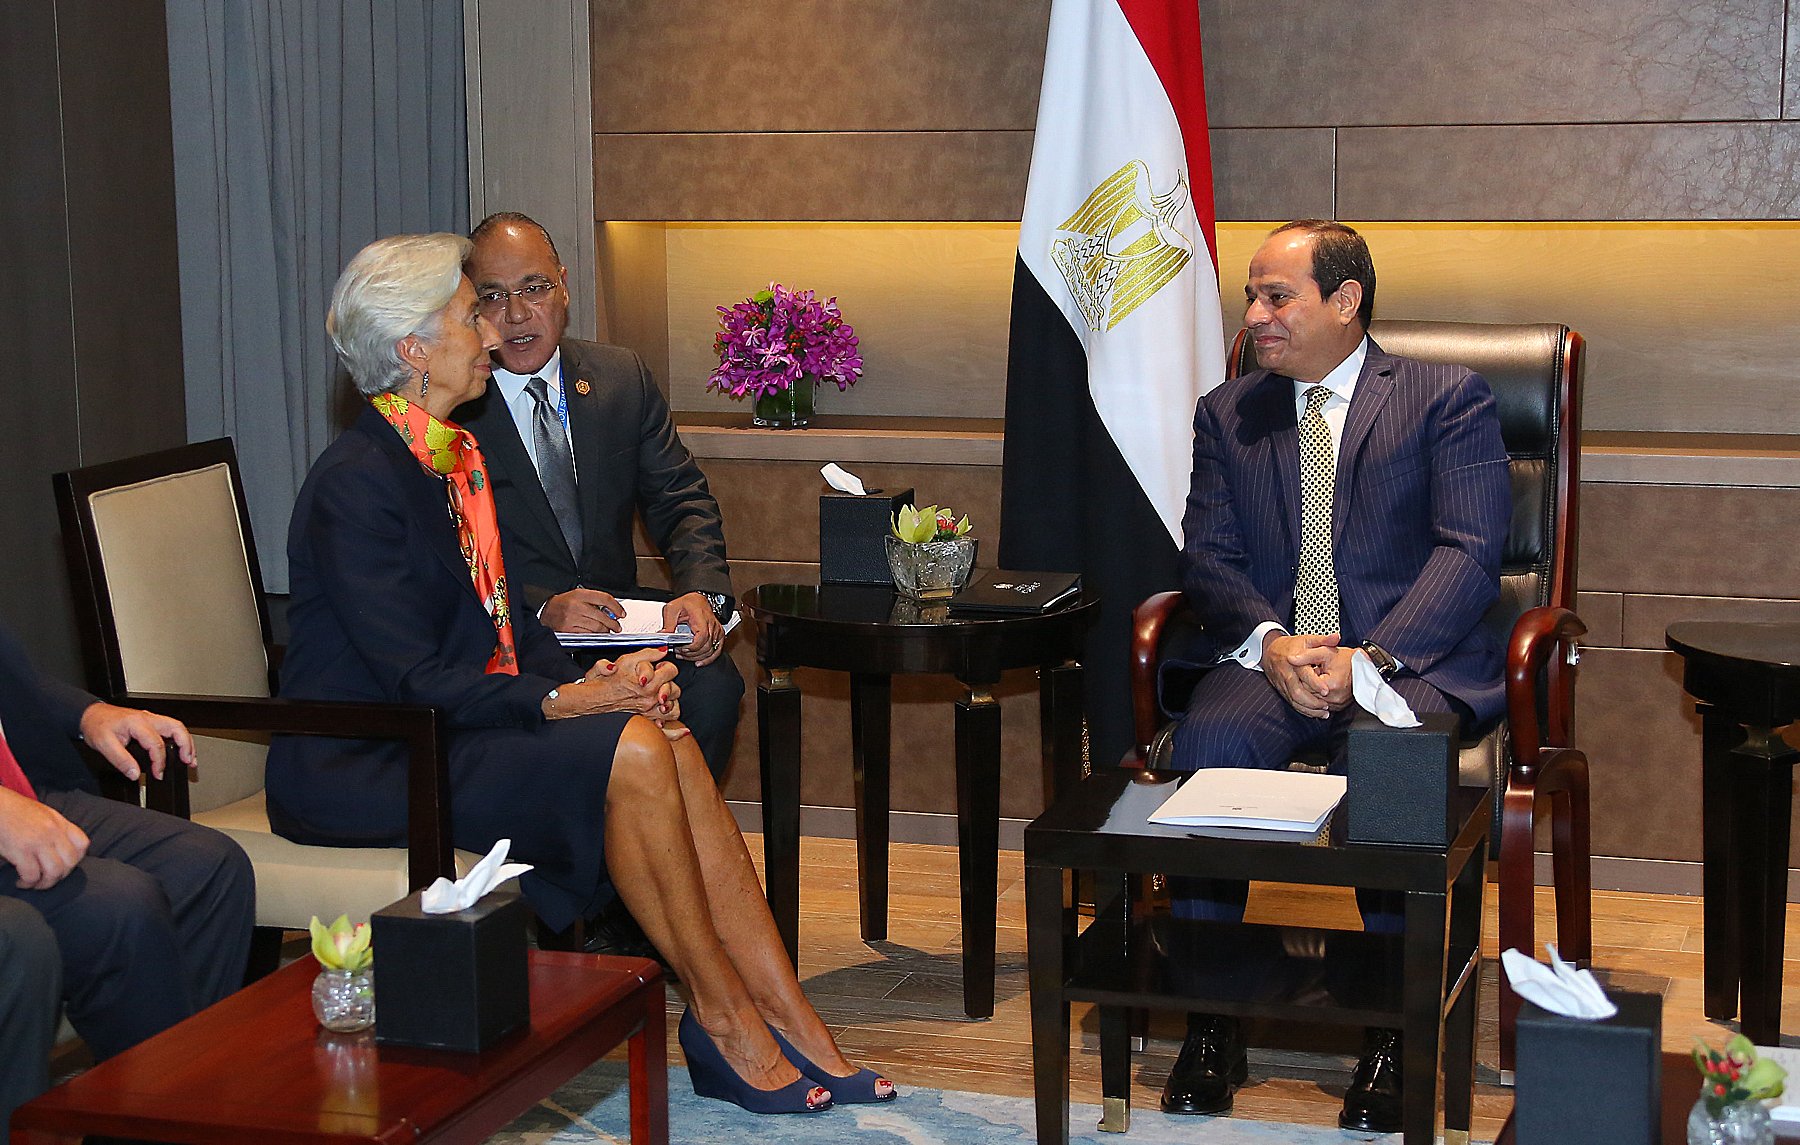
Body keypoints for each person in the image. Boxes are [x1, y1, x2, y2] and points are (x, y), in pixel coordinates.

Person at [266, 233, 892, 1115]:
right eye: (467, 312)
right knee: (637, 749)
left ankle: (786, 1012)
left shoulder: (446, 455)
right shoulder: (358, 483)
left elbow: (499, 622)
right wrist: (570, 697)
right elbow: (413, 678)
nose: (489, 330)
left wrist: (619, 675)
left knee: (665, 733)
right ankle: (724, 1018)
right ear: (412, 349)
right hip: (367, 758)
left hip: (450, 728)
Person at [1163, 220, 1510, 1132]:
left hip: (1403, 659)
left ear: (1346, 302)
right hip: (1275, 661)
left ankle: (1387, 1033)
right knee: (1210, 738)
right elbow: (1209, 556)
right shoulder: (1230, 411)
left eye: (1277, 297)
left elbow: (1470, 551)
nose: (1256, 315)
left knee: (1394, 761)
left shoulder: (1444, 396)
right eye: (1253, 296)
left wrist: (1374, 658)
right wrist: (1275, 642)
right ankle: (1216, 1017)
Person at [454, 212, 742, 782]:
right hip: (511, 636)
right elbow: (445, 548)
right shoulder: (456, 401)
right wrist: (541, 606)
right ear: (470, 307)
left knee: (712, 687)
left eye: (534, 288)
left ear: (563, 286)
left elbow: (680, 498)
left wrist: (701, 593)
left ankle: (669, 855)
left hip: (618, 623)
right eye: (493, 295)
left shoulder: (619, 376)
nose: (516, 315)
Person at [0, 620, 255, 1133]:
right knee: (117, 906)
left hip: (19, 786)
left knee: (205, 865)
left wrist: (87, 713)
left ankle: (164, 1122)